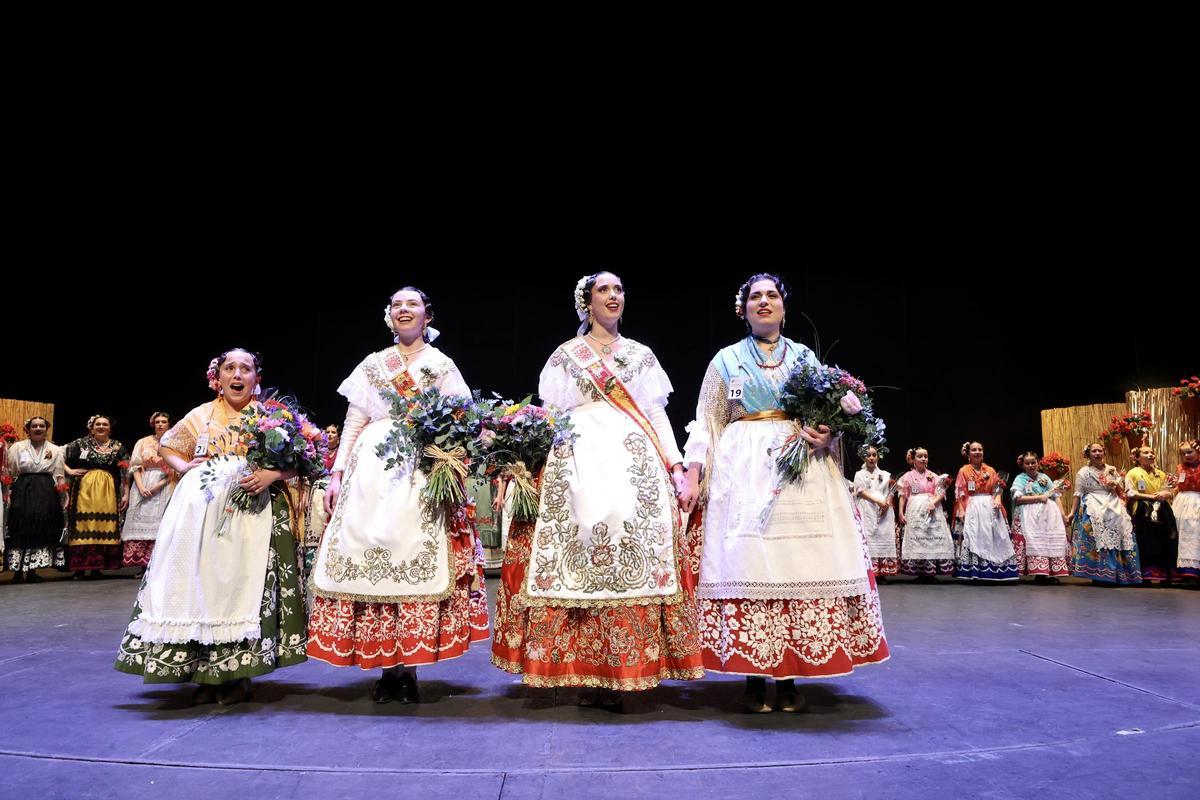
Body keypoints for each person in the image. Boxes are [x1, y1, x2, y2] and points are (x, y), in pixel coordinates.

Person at [492, 271, 702, 708]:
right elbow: (550, 415)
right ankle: (582, 668)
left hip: (632, 460)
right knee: (580, 553)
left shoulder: (641, 356)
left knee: (634, 550)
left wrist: (677, 465)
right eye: (604, 290)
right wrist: (527, 463)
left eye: (619, 289)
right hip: (577, 460)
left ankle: (626, 664)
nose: (613, 295)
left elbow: (657, 415)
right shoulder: (567, 355)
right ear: (586, 302)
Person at [681, 273, 888, 713]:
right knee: (753, 563)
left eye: (771, 295)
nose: (763, 302)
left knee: (798, 562)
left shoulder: (805, 357)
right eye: (754, 297)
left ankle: (791, 677)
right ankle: (757, 676)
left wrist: (827, 434)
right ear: (743, 309)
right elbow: (706, 420)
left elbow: (828, 414)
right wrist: (695, 471)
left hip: (799, 468)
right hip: (744, 471)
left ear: (783, 306)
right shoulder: (725, 360)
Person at [307, 288, 489, 704]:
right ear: (389, 317)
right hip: (371, 470)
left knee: (410, 557)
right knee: (373, 556)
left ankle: (406, 669)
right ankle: (385, 668)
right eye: (396, 305)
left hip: (420, 473)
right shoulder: (373, 365)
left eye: (412, 304)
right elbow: (354, 422)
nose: (403, 310)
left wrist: (450, 461)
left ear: (427, 316)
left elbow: (464, 419)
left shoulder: (441, 365)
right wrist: (336, 474)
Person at [114, 349, 307, 705]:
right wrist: (185, 467)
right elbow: (168, 445)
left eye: (245, 368)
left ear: (256, 377)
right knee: (200, 585)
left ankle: (238, 672)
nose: (237, 374)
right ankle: (203, 670)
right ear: (216, 378)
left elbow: (304, 461)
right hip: (200, 515)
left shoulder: (274, 415)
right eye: (229, 368)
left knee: (241, 586)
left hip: (255, 512)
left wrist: (273, 474)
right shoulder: (200, 415)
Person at [63, 415, 128, 578]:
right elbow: (57, 454)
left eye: (104, 424)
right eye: (97, 424)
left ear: (109, 428)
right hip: (84, 489)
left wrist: (126, 492)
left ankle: (97, 567)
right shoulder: (80, 443)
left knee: (102, 526)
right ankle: (79, 567)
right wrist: (69, 470)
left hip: (107, 491)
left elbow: (126, 470)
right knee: (83, 525)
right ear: (91, 428)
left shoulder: (117, 446)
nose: (101, 427)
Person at [1067, 442, 1141, 585]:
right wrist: (1071, 513)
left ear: (1104, 453)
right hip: (1093, 503)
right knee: (1095, 536)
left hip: (1112, 503)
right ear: (1088, 454)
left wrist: (1115, 483)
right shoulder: (1083, 472)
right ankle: (1100, 574)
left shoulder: (1110, 469)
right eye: (1094, 451)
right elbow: (1078, 494)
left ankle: (1120, 573)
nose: (1097, 453)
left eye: (1100, 451)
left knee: (1122, 534)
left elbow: (1121, 490)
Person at [4, 417, 66, 581]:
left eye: (42, 426)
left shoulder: (55, 449)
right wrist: (7, 493)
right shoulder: (17, 447)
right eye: (34, 426)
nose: (38, 428)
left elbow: (59, 474)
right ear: (28, 429)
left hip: (45, 489)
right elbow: (10, 471)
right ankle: (17, 571)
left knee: (41, 525)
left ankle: (32, 570)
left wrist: (63, 496)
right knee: (20, 524)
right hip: (23, 488)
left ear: (46, 429)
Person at [953, 441, 1018, 582]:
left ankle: (994, 571)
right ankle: (975, 571)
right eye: (974, 450)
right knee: (975, 536)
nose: (977, 452)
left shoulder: (990, 470)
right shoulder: (963, 470)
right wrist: (961, 509)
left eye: (980, 449)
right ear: (968, 453)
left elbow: (997, 487)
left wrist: (998, 498)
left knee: (992, 536)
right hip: (972, 506)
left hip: (989, 506)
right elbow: (959, 492)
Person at [120, 411, 176, 572]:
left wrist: (157, 486)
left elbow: (175, 470)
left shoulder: (174, 442)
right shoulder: (143, 442)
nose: (160, 424)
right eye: (157, 421)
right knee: (140, 518)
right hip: (143, 482)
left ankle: (159, 565)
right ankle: (143, 566)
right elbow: (135, 466)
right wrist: (141, 486)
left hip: (166, 484)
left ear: (169, 424)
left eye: (163, 421)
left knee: (163, 522)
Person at [1010, 451, 1071, 584]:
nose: (1031, 465)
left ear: (1038, 463)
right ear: (1023, 465)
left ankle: (1046, 573)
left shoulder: (1044, 477)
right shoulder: (1020, 479)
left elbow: (1055, 496)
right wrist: (1039, 497)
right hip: (1028, 515)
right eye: (1028, 463)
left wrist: (1062, 515)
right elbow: (1019, 498)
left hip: (1047, 516)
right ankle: (1037, 571)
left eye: (1033, 462)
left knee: (1047, 541)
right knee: (1033, 542)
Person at [852, 445, 899, 581]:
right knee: (868, 536)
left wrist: (886, 504)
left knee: (882, 535)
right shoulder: (859, 474)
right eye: (868, 455)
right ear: (864, 457)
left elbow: (891, 491)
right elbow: (861, 491)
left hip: (883, 509)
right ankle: (869, 571)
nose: (872, 458)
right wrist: (877, 501)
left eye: (874, 455)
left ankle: (882, 572)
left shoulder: (885, 474)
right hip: (867, 507)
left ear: (878, 456)